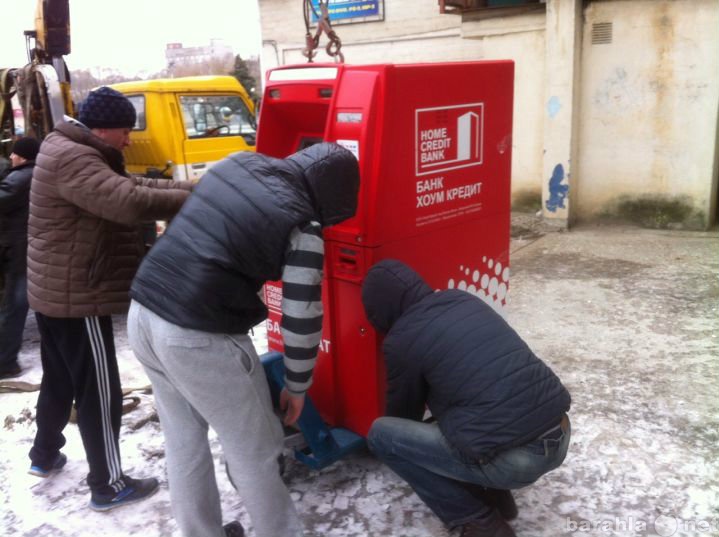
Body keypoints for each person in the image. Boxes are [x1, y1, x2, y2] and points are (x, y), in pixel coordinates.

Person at [127, 142, 360, 537]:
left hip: (143, 312)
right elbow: (301, 315)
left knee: (184, 440)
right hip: (195, 334)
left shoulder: (239, 164)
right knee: (258, 451)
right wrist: (297, 386)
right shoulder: (304, 224)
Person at [26, 86, 192, 511]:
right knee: (100, 391)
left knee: (60, 380)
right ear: (102, 128)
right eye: (124, 130)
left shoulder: (68, 148)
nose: (129, 139)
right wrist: (194, 201)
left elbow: (128, 182)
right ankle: (108, 484)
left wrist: (191, 188)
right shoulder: (74, 156)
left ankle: (43, 456)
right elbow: (127, 200)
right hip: (79, 295)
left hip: (55, 292)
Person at [361, 259, 572, 537]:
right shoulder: (461, 299)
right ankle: (495, 497)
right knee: (466, 414)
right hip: (561, 431)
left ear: (382, 309)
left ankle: (477, 520)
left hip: (518, 459)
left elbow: (402, 417)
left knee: (382, 435)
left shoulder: (402, 339)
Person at [0, 137, 41, 379]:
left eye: (14, 154)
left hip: (19, 250)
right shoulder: (29, 174)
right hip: (23, 247)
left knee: (14, 306)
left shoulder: (21, 177)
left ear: (23, 156)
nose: (11, 157)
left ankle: (5, 362)